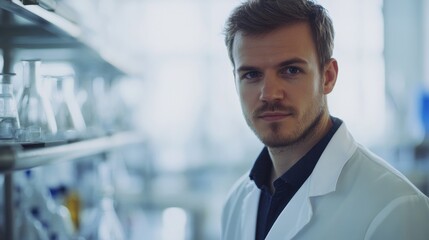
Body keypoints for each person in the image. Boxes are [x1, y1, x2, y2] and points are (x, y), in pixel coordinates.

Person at [221, 0, 429, 239]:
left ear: (328, 77)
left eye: (291, 70)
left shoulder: (395, 207)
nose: (269, 94)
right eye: (251, 74)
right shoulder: (236, 203)